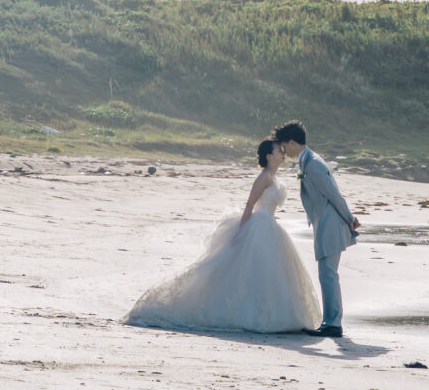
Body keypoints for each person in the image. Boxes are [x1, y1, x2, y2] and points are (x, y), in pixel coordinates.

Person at [124, 138, 321, 333]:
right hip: (259, 226)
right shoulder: (264, 178)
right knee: (256, 270)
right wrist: (242, 231)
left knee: (270, 272)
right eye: (279, 151)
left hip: (270, 225)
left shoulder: (273, 177)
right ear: (269, 156)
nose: (282, 153)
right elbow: (250, 204)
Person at [273, 120, 360, 338]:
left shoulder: (312, 163)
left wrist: (350, 219)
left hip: (331, 224)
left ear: (293, 142)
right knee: (327, 274)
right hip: (325, 223)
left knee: (328, 275)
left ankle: (333, 324)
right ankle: (331, 321)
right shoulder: (308, 161)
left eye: (284, 145)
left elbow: (333, 194)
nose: (283, 150)